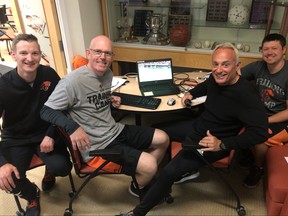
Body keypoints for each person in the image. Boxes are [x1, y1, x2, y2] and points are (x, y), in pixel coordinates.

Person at [119, 42, 268, 216]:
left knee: (168, 173)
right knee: (155, 131)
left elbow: (260, 133)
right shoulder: (215, 77)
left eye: (225, 64)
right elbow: (205, 86)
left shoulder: (247, 95)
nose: (219, 69)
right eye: (215, 64)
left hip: (210, 142)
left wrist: (223, 144)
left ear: (237, 66)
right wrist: (191, 94)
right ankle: (152, 176)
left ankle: (137, 213)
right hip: (197, 126)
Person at [40, 35, 169, 198]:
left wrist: (109, 99)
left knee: (163, 138)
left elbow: (90, 99)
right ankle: (139, 185)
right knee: (150, 165)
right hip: (98, 145)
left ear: (112, 57)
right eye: (98, 52)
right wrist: (72, 127)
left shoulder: (107, 73)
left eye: (108, 53)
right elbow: (46, 111)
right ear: (88, 53)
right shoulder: (71, 82)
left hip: (114, 129)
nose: (103, 57)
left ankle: (141, 177)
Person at [0, 34, 72, 215]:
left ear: (40, 54)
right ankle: (32, 195)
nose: (29, 58)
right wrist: (1, 164)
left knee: (62, 168)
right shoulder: (2, 85)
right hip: (15, 138)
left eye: (35, 53)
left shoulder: (49, 74)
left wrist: (51, 133)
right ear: (13, 55)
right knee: (7, 179)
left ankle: (49, 170)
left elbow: (62, 107)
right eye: (23, 53)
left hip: (44, 133)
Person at [241, 33, 288, 188]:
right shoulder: (258, 66)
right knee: (232, 122)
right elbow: (236, 76)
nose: (269, 52)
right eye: (265, 49)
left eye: (274, 48)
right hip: (259, 114)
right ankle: (248, 154)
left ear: (284, 50)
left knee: (259, 139)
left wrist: (265, 120)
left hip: (281, 119)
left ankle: (258, 168)